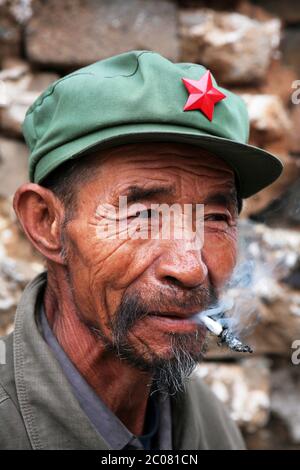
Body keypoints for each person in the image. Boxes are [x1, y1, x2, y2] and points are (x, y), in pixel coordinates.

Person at [0, 50, 282, 450]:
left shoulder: (211, 425)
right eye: (145, 213)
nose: (190, 267)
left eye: (216, 217)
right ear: (46, 223)